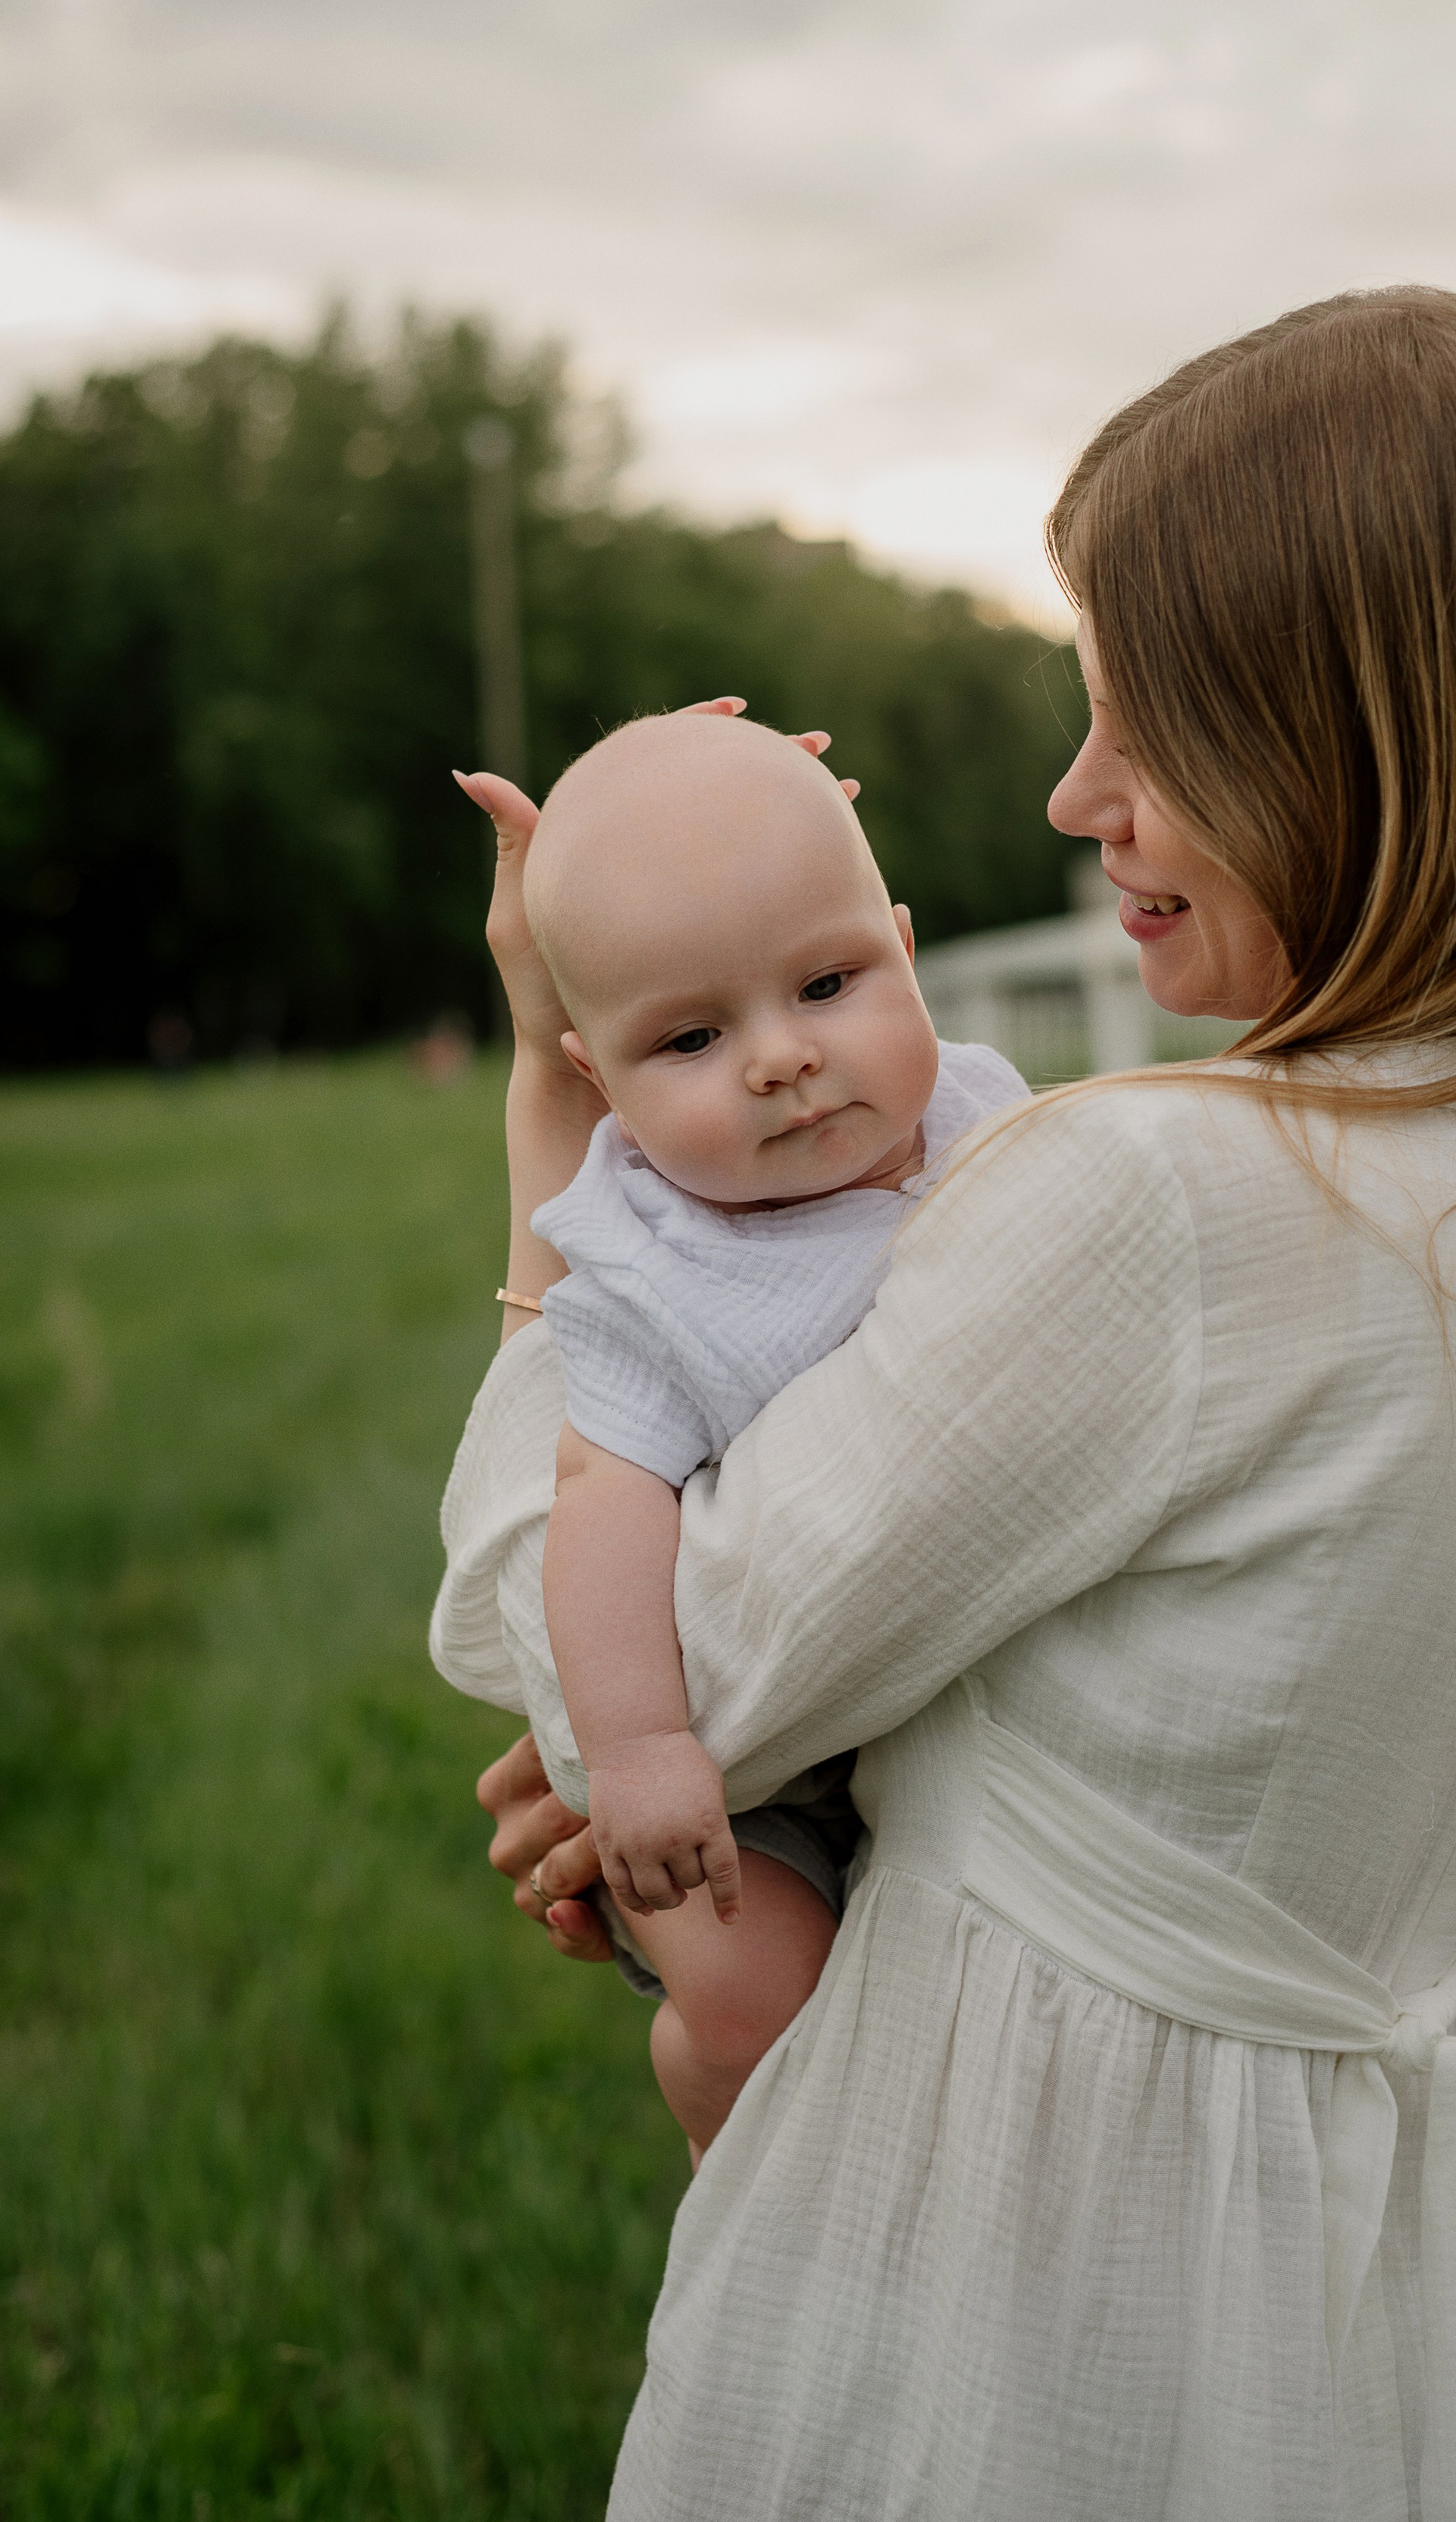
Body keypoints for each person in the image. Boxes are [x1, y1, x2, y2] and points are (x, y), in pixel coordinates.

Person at [457, 287, 1456, 2521]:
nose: (1077, 793)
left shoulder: (1171, 1195)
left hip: (1029, 2240)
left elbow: (612, 1667)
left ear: (1346, 736)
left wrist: (557, 1124)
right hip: (1367, 2233)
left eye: (1143, 722)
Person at [431, 713, 1027, 2155]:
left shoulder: (992, 1121)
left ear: (899, 940)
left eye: (828, 982)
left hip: (950, 1733)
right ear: (604, 1083)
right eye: (691, 1038)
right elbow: (603, 1495)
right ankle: (719, 2107)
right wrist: (636, 1751)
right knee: (760, 1986)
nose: (782, 1058)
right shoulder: (656, 1264)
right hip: (743, 1796)